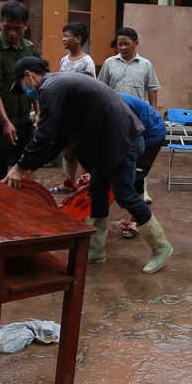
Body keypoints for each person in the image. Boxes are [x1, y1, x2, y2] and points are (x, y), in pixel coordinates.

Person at [2, 57, 173, 273]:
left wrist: (20, 166)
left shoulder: (50, 87)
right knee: (97, 192)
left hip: (121, 139)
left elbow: (44, 134)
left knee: (125, 195)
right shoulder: (59, 87)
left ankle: (161, 246)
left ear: (28, 75)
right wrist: (28, 166)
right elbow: (58, 139)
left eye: (21, 86)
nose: (25, 92)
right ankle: (96, 252)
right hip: (105, 143)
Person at [0, 0, 41, 180]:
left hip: (23, 121)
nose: (12, 33)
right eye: (7, 28)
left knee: (26, 169)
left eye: (17, 28)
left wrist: (37, 111)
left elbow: (32, 82)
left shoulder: (29, 49)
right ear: (0, 23)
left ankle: (23, 207)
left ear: (26, 26)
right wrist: (6, 123)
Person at [98, 27, 160, 203]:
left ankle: (142, 189)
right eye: (120, 44)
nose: (123, 48)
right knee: (115, 152)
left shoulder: (146, 65)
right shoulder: (109, 63)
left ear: (136, 44)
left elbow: (152, 89)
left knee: (139, 156)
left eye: (127, 44)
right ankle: (115, 188)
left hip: (138, 118)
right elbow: (102, 89)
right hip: (114, 117)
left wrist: (153, 112)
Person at [52, 21, 96, 193]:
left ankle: (86, 185)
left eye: (66, 36)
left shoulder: (87, 62)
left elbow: (90, 89)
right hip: (66, 113)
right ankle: (69, 183)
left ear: (78, 39)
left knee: (84, 152)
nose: (63, 39)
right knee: (68, 152)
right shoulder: (64, 60)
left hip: (82, 114)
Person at [116, 92, 167, 238]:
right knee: (129, 175)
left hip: (151, 133)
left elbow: (130, 136)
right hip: (137, 131)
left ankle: (137, 221)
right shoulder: (102, 102)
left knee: (135, 177)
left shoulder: (117, 106)